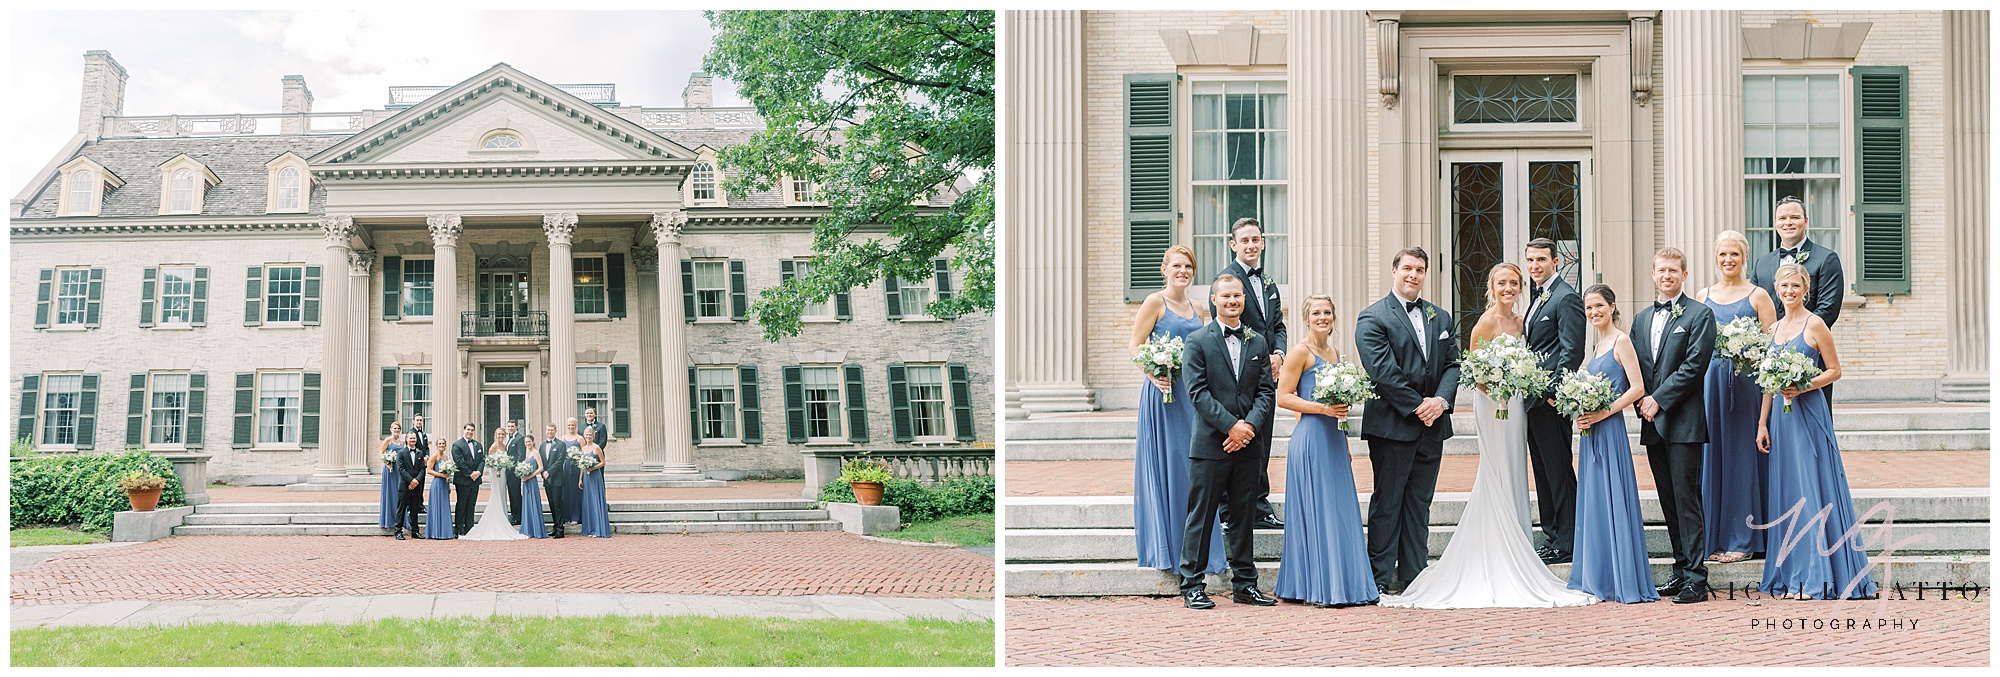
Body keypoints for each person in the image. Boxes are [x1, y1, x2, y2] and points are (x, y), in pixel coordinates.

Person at [1381, 263, 1596, 609]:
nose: (1508, 288)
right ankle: (1498, 544)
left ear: (1520, 287)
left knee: (1514, 470)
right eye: (1502, 283)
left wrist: (1518, 382)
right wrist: (1498, 386)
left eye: (1514, 283)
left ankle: (1517, 542)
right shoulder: (1486, 322)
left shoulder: (1522, 320)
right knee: (1497, 470)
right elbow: (1473, 370)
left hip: (1516, 406)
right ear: (1491, 287)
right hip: (1494, 404)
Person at [1756, 264, 1877, 600]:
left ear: (1805, 289)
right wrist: (1762, 423)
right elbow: (1767, 384)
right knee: (1788, 493)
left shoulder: (1816, 324)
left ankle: (1817, 577)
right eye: (1784, 286)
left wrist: (1804, 384)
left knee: (1812, 491)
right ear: (1777, 289)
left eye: (1795, 286)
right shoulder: (1773, 329)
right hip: (1780, 420)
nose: (1789, 291)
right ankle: (1792, 573)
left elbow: (1835, 370)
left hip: (1809, 415)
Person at [1353, 247, 1460, 595]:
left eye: (1420, 269)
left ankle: (1416, 575)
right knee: (1389, 501)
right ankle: (1380, 577)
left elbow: (1452, 366)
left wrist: (1440, 402)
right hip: (1393, 426)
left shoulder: (1440, 317)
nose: (1413, 275)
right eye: (1408, 268)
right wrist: (1419, 407)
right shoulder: (1373, 318)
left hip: (1433, 425)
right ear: (1394, 270)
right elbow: (1382, 372)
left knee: (1419, 502)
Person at [1175, 274, 1277, 610]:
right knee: (1201, 516)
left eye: (1238, 295)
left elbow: (1265, 392)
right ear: (1214, 300)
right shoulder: (1198, 341)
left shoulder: (1258, 342)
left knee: (1244, 515)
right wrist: (1231, 426)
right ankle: (1192, 584)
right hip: (1210, 444)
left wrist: (1247, 427)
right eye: (1226, 296)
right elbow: (1197, 393)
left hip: (1249, 443)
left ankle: (1245, 585)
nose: (1233, 301)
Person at [1271, 294, 1376, 608]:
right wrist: (1321, 408)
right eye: (1316, 313)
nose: (1322, 318)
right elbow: (1284, 397)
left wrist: (1343, 434)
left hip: (1333, 438)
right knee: (1318, 510)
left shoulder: (1334, 352)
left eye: (1327, 312)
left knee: (1338, 510)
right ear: (1306, 318)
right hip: (1311, 438)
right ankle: (1317, 586)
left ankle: (1340, 582)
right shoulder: (1299, 352)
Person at [1128, 245, 1224, 576]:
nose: (1182, 271)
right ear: (1164, 269)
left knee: (1193, 467)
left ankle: (1197, 549)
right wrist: (1154, 372)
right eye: (1177, 266)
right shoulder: (1155, 302)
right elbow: (1134, 346)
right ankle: (1167, 551)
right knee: (1168, 466)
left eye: (1188, 267)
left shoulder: (1199, 308)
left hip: (1192, 396)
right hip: (1163, 393)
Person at [1631, 248, 1717, 604]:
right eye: (1661, 270)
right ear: (1653, 274)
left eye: (1673, 270)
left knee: (1686, 499)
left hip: (1683, 422)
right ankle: (1681, 570)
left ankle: (1697, 578)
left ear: (1684, 275)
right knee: (1668, 500)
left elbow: (1695, 366)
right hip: (1652, 423)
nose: (1667, 275)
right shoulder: (1639, 319)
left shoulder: (1700, 315)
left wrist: (1659, 399)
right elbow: (1635, 367)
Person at [1566, 285, 1658, 603]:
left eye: (1599, 306)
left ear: (1612, 306)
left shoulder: (1621, 341)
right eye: (1589, 308)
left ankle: (1619, 577)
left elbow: (1637, 388)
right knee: (1594, 502)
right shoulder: (1596, 346)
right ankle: (1598, 574)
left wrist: (1604, 412)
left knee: (1612, 498)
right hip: (1591, 433)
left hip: (1611, 430)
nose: (1594, 312)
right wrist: (1579, 412)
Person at [1692, 230, 1778, 565]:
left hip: (1746, 388)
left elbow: (1772, 349)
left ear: (1744, 257)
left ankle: (1744, 537)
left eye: (1735, 255)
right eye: (1723, 255)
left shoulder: (1759, 296)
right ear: (1716, 258)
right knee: (1714, 458)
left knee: (1742, 461)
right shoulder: (1703, 295)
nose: (1728, 260)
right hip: (1711, 386)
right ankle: (1715, 535)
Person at [1209, 218, 1285, 532]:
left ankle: (1259, 506)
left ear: (1263, 242)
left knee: (1262, 440)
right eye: (1245, 241)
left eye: (1256, 239)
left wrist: (1279, 354)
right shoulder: (1225, 281)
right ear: (1234, 245)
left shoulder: (1268, 282)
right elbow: (1222, 331)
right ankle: (1229, 510)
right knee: (1237, 438)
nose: (1251, 245)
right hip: (1239, 375)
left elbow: (1277, 325)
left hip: (1268, 376)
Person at [1520, 238, 1586, 565]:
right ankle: (1552, 535)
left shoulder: (1567, 298)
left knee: (1558, 471)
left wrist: (1551, 394)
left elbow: (1572, 351)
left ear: (1555, 262)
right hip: (1531, 401)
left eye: (1541, 260)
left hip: (1549, 402)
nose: (1535, 266)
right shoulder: (1537, 298)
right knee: (1543, 472)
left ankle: (1568, 540)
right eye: (1531, 260)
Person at [1747, 196, 1844, 403]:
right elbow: (1754, 309)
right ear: (1775, 223)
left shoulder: (1826, 259)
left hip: (1810, 356)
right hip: (1770, 362)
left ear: (1806, 221)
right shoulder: (1761, 264)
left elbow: (1828, 309)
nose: (1788, 222)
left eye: (1794, 217)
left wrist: (1796, 341)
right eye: (1782, 218)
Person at [574, 417, 613, 538]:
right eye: (586, 435)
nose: (588, 436)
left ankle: (598, 529)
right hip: (586, 477)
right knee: (588, 502)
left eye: (590, 435)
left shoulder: (597, 448)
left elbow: (603, 462)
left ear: (593, 435)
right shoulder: (584, 448)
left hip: (595, 477)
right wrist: (580, 479)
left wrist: (593, 467)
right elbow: (582, 465)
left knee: (596, 501)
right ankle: (590, 528)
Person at [449, 423, 486, 536]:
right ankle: (459, 529)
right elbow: (459, 462)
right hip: (463, 480)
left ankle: (470, 529)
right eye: (468, 429)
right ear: (464, 430)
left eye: (472, 430)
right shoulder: (457, 445)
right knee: (461, 505)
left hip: (475, 480)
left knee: (471, 505)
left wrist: (478, 472)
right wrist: (470, 473)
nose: (470, 432)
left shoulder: (478, 445)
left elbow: (482, 460)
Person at [539, 423, 572, 538]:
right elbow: (541, 461)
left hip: (557, 479)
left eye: (552, 430)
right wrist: (542, 472)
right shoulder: (542, 446)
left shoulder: (561, 444)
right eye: (548, 430)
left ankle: (560, 529)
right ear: (545, 431)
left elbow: (560, 461)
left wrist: (549, 472)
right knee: (551, 504)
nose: (550, 432)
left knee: (558, 504)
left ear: (555, 431)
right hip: (546, 479)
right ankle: (555, 526)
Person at [393, 428, 426, 540]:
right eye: (410, 438)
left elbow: (422, 469)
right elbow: (401, 469)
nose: (412, 440)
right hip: (404, 486)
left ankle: (415, 531)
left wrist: (416, 481)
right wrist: (411, 480)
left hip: (416, 486)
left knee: (415, 509)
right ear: (406, 439)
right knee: (401, 509)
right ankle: (398, 531)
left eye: (414, 438)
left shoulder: (420, 453)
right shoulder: (401, 453)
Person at [424, 438, 456, 540]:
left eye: (443, 444)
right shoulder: (434, 456)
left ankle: (445, 532)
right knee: (436, 507)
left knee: (444, 507)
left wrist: (449, 485)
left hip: (444, 484)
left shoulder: (446, 457)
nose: (441, 445)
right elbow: (429, 470)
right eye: (440, 444)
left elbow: (447, 474)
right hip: (437, 484)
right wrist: (441, 475)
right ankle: (435, 532)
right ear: (437, 445)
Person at [518, 434, 549, 539]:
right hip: (526, 482)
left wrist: (530, 476)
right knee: (527, 504)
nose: (527, 444)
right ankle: (528, 529)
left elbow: (541, 468)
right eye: (526, 442)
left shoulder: (536, 453)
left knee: (533, 503)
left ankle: (536, 529)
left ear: (533, 442)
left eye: (529, 442)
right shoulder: (527, 453)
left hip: (532, 481)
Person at [378, 420, 405, 533]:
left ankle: (399, 520)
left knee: (398, 494)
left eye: (398, 429)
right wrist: (387, 462)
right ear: (391, 430)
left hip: (399, 471)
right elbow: (381, 453)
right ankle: (388, 520)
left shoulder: (403, 443)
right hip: (389, 470)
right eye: (395, 428)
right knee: (390, 494)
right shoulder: (387, 441)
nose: (396, 430)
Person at [503, 421, 528, 526]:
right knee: (512, 495)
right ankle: (515, 515)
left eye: (512, 426)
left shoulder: (519, 438)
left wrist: (515, 469)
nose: (510, 428)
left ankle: (518, 517)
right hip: (509, 471)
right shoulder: (510, 438)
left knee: (515, 494)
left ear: (516, 427)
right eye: (508, 426)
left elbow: (521, 455)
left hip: (514, 472)